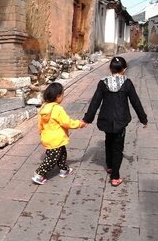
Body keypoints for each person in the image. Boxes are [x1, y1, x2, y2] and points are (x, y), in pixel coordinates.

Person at [83, 56, 148, 187]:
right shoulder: (127, 83)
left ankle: (110, 166)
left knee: (108, 141)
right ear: (124, 69)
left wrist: (87, 119)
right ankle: (115, 177)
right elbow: (135, 102)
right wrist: (143, 119)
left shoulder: (103, 83)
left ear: (110, 68)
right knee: (118, 147)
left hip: (106, 119)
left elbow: (95, 102)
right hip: (120, 120)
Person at [32, 82, 86, 185]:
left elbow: (40, 123)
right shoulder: (57, 109)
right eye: (62, 95)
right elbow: (67, 122)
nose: (63, 97)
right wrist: (79, 124)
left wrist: (41, 132)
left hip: (48, 137)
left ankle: (64, 169)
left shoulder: (44, 107)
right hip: (56, 138)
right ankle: (39, 174)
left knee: (62, 153)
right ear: (58, 96)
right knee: (51, 159)